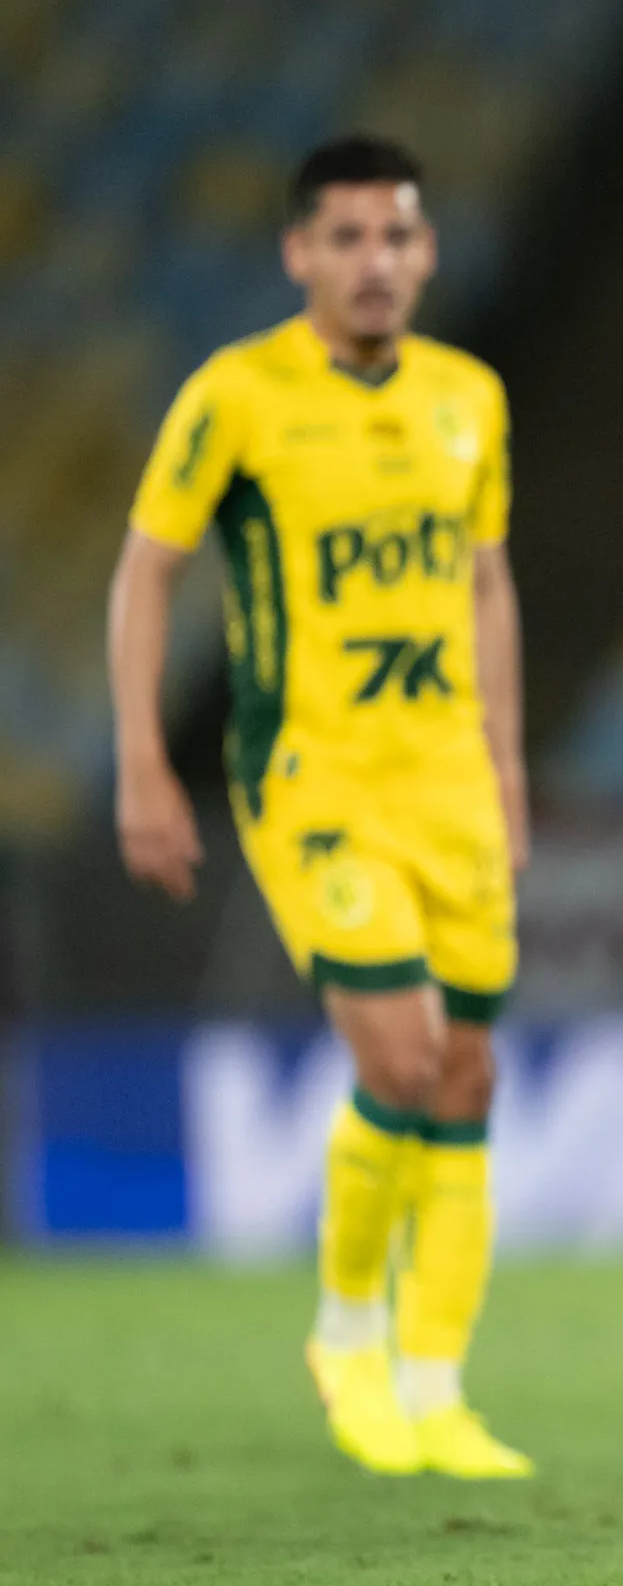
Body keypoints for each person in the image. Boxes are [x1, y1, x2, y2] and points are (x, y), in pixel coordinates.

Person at [109, 136, 532, 1479]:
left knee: (467, 1075)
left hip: (450, 782)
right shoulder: (236, 397)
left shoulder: (469, 398)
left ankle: (438, 1385)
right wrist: (139, 760)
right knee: (400, 1059)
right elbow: (144, 576)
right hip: (313, 781)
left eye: (396, 237)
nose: (373, 263)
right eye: (345, 238)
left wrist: (509, 767)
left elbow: (485, 585)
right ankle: (347, 1333)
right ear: (298, 254)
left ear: (427, 254)